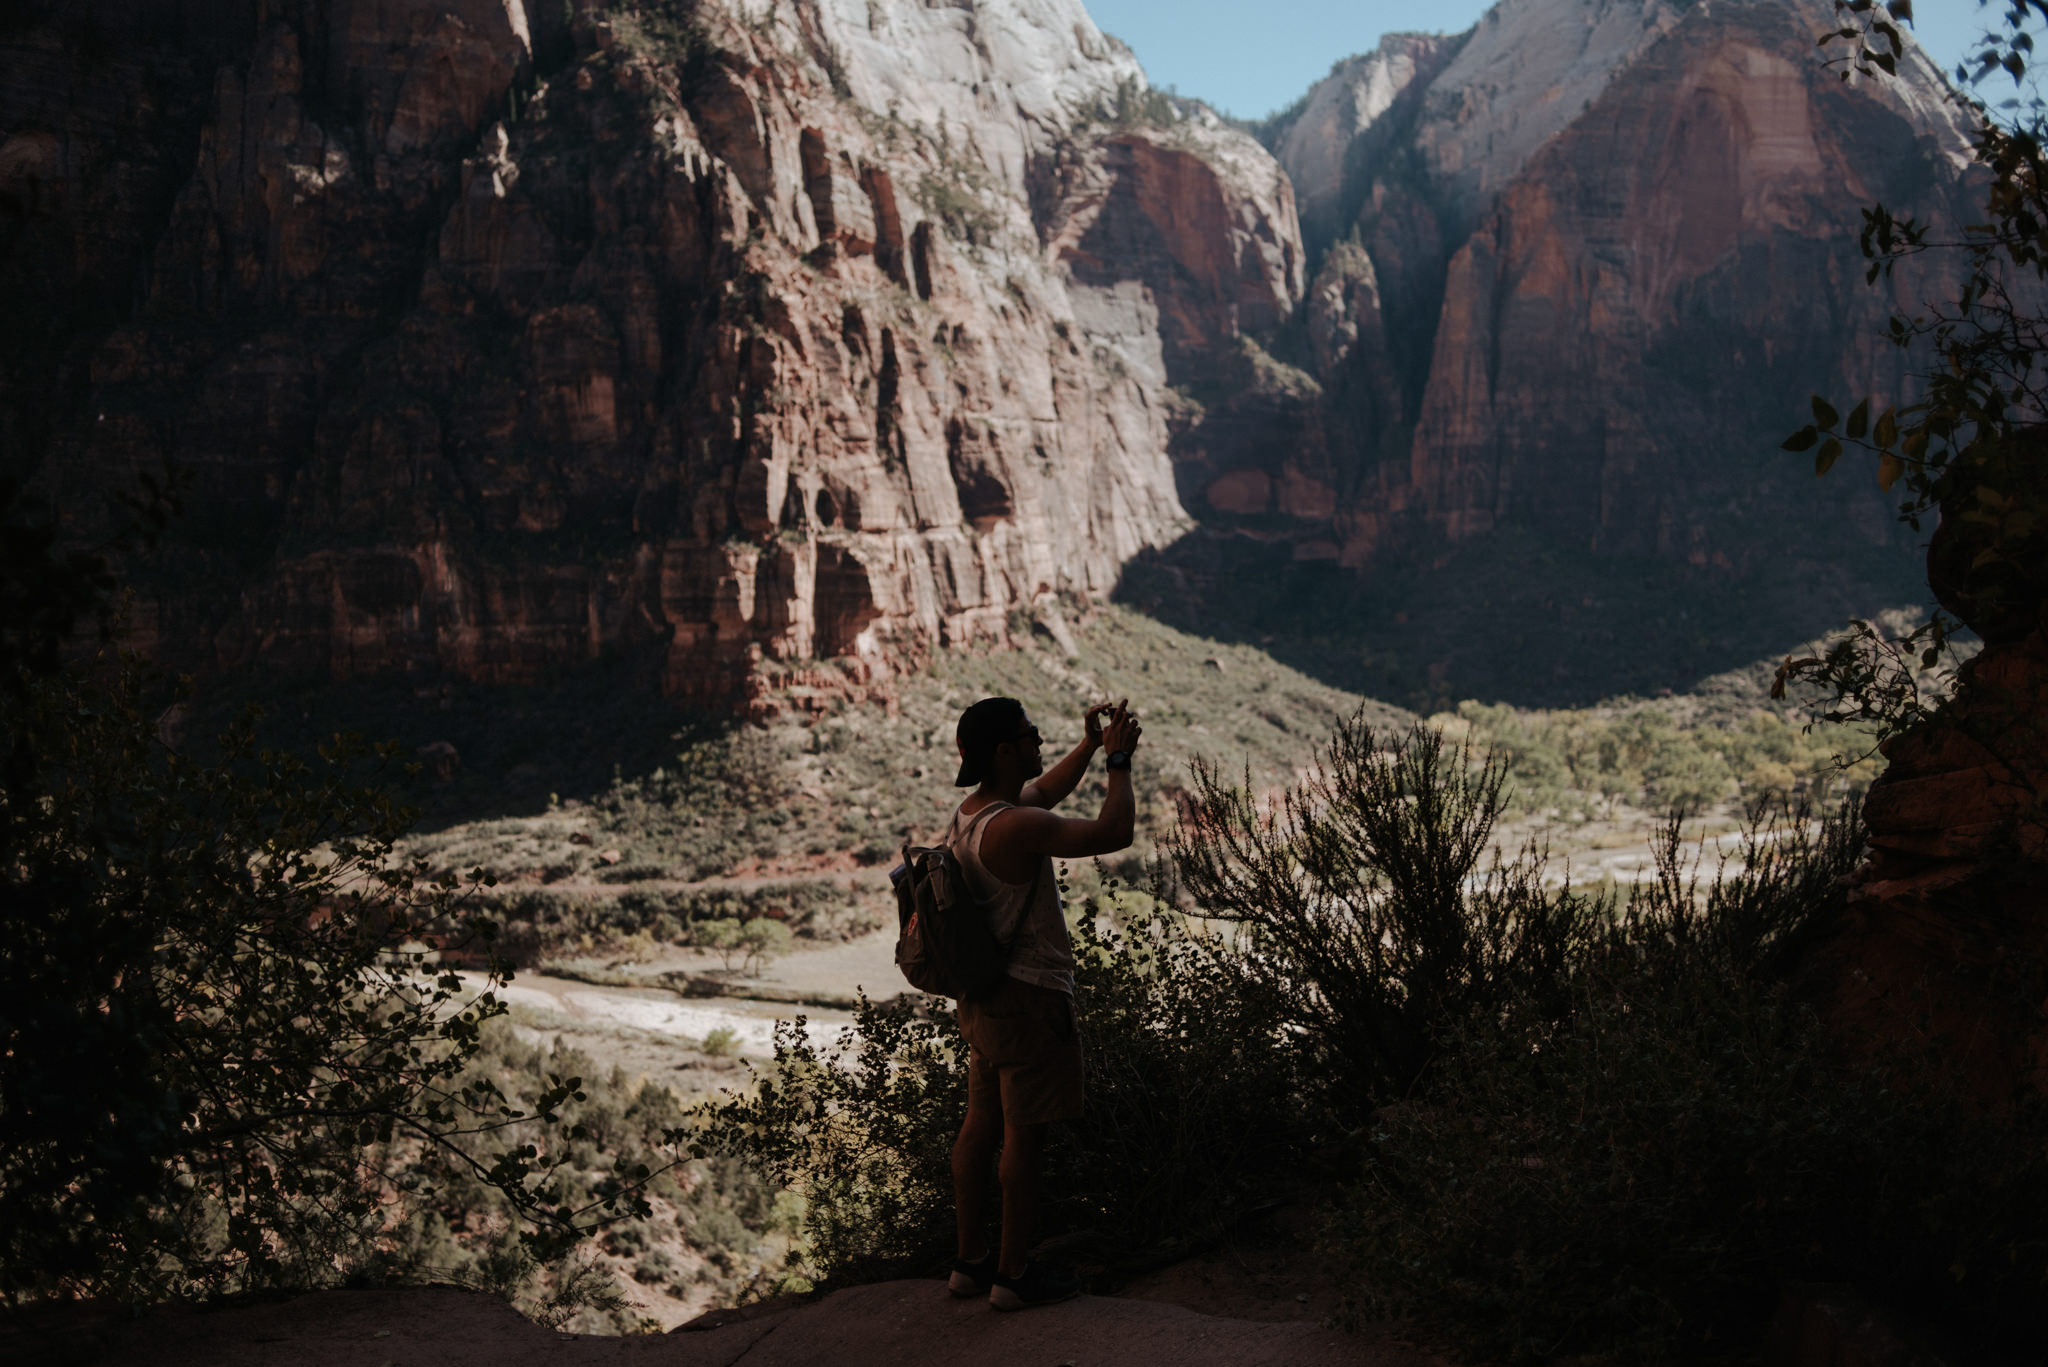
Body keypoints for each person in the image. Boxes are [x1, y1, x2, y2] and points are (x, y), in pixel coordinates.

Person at [940, 693, 1143, 1311]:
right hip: (1030, 1001)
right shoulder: (1016, 827)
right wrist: (1118, 764)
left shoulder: (975, 815)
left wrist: (1088, 744)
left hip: (984, 1000)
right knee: (1025, 1141)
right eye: (1031, 735)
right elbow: (1116, 831)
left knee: (980, 1130)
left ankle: (969, 1264)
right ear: (1005, 751)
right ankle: (1013, 1276)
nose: (1039, 742)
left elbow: (1042, 796)